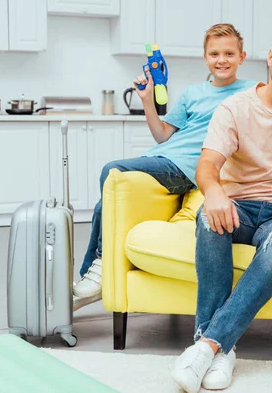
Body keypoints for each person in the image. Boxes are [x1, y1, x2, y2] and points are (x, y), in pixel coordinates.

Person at [169, 21, 272, 393]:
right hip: (238, 207)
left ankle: (208, 345)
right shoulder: (235, 108)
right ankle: (222, 350)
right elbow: (207, 166)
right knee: (210, 219)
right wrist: (214, 193)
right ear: (270, 57)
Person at [72, 24, 256, 310]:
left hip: (188, 169)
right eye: (215, 53)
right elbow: (162, 135)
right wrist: (147, 100)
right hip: (163, 159)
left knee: (111, 169)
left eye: (229, 53)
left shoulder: (251, 91)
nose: (222, 59)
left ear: (242, 57)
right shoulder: (191, 94)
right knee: (103, 205)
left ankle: (99, 267)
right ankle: (92, 277)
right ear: (205, 57)